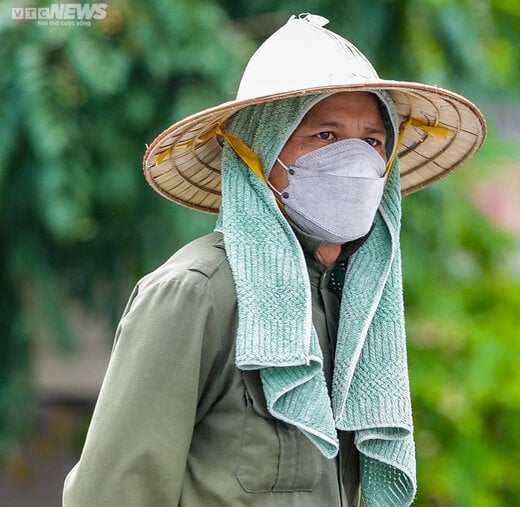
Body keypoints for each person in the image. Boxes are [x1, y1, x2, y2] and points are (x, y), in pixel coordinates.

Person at [63, 13, 486, 507]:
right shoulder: (199, 290)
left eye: (372, 141)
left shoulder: (356, 304)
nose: (355, 159)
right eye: (325, 136)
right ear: (262, 151)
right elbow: (111, 494)